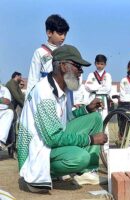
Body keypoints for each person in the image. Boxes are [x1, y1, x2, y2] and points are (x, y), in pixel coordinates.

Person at [17, 44, 108, 193]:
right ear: (64, 66)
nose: (81, 72)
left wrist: (87, 109)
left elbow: (65, 120)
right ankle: (46, 174)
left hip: (49, 143)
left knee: (95, 117)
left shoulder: (59, 88)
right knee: (80, 157)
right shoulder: (44, 93)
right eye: (77, 66)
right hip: (36, 152)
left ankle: (86, 173)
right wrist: (90, 139)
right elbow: (53, 138)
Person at [26, 14, 69, 95]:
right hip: (45, 90)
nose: (63, 37)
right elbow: (33, 77)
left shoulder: (67, 53)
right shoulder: (39, 52)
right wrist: (29, 99)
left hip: (62, 90)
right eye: (60, 34)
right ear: (49, 33)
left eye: (65, 34)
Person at [85, 54, 112, 119]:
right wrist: (100, 86)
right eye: (98, 64)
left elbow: (107, 89)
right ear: (95, 63)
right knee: (92, 116)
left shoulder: (107, 75)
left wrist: (94, 87)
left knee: (103, 117)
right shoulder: (91, 75)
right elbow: (87, 87)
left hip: (103, 98)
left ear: (105, 64)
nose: (99, 66)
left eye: (102, 64)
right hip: (93, 97)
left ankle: (103, 129)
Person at [0, 84, 14, 151]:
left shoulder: (4, 89)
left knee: (10, 112)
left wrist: (2, 100)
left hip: (3, 112)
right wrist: (1, 100)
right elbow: (4, 100)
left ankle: (0, 141)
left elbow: (7, 101)